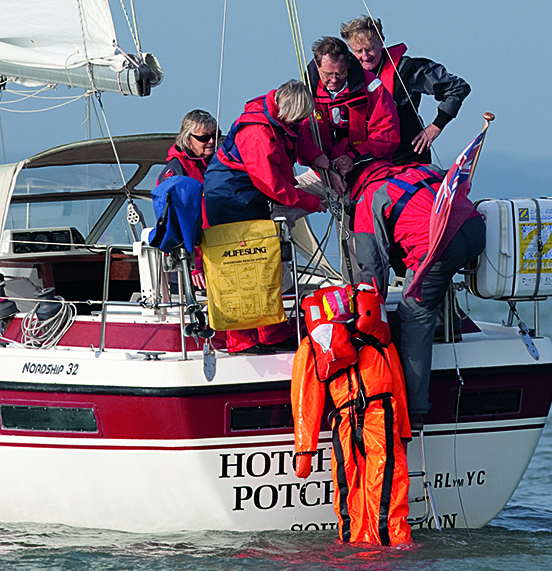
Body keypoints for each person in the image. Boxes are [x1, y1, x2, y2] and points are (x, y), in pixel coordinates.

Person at [352, 161, 485, 426]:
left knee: (413, 315)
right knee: (434, 278)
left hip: (439, 245)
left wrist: (368, 309)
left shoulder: (370, 196)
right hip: (474, 230)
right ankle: (451, 323)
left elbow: (372, 263)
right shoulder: (425, 170)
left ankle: (413, 411)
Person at [204, 81, 327, 352]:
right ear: (287, 112)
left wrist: (318, 158)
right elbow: (270, 184)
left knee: (262, 263)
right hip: (231, 198)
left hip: (247, 196)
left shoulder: (277, 120)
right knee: (240, 270)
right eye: (298, 118)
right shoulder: (258, 133)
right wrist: (311, 202)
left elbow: (298, 141)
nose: (299, 123)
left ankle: (270, 332)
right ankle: (241, 340)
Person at [292, 284, 412, 546]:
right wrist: (304, 450)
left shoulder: (318, 343)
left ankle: (386, 547)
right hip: (366, 418)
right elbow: (306, 397)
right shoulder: (377, 338)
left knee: (381, 490)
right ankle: (377, 549)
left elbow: (305, 398)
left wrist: (304, 451)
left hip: (370, 417)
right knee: (357, 493)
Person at [340, 16, 470, 164]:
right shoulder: (339, 77)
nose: (365, 56)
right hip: (362, 161)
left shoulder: (408, 70)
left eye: (370, 49)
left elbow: (457, 87)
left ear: (381, 41)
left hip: (408, 160)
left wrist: (436, 126)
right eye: (359, 51)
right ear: (350, 49)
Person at [300, 36, 400, 193]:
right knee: (281, 204)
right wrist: (319, 162)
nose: (333, 80)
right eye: (327, 74)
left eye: (340, 73)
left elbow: (386, 136)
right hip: (322, 173)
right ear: (318, 68)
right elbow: (301, 136)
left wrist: (353, 158)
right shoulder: (306, 94)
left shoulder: (373, 89)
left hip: (366, 171)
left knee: (375, 206)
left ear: (348, 67)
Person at [157, 109, 218, 288]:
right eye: (204, 138)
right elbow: (175, 223)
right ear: (187, 138)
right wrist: (194, 264)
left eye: (215, 135)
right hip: (189, 263)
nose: (212, 141)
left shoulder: (216, 165)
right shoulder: (175, 172)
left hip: (216, 250)